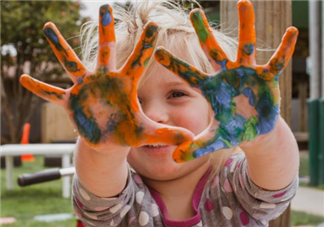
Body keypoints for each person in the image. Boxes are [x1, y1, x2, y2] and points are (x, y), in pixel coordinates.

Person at [20, 0, 300, 226]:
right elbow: (98, 184)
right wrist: (104, 150)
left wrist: (264, 135)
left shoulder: (235, 184)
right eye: (131, 103)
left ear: (217, 107)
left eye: (177, 94)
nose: (153, 114)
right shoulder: (120, 198)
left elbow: (276, 182)